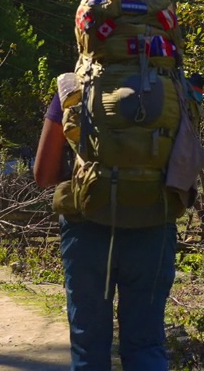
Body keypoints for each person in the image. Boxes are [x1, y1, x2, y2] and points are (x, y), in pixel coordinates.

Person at [36, 89, 178, 371]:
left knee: (89, 343)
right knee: (146, 345)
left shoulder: (73, 86)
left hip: (86, 230)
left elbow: (44, 174)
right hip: (152, 228)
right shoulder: (172, 87)